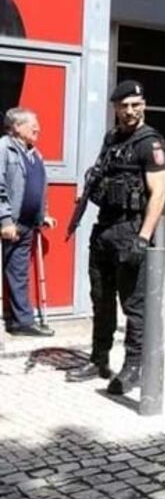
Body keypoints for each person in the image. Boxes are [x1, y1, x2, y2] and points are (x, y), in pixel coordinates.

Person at [67, 81, 165, 395]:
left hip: (130, 230)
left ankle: (134, 366)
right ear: (115, 108)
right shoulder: (111, 139)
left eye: (135, 104)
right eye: (123, 106)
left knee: (134, 306)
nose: (129, 111)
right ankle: (99, 359)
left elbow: (158, 194)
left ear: (144, 105)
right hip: (104, 229)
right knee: (101, 299)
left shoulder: (150, 143)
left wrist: (143, 237)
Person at [0, 108, 56, 337]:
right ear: (16, 127)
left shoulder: (34, 154)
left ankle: (20, 322)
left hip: (27, 224)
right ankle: (20, 320)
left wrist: (43, 214)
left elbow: (39, 186)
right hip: (9, 224)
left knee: (18, 273)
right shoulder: (4, 149)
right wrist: (4, 220)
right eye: (32, 125)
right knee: (14, 272)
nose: (38, 129)